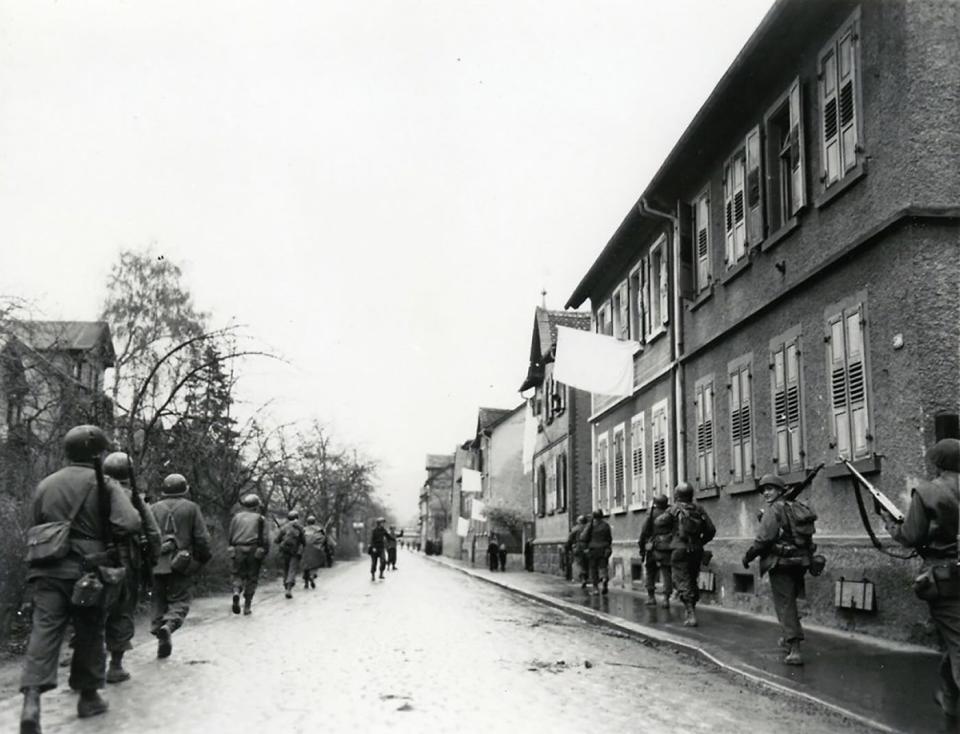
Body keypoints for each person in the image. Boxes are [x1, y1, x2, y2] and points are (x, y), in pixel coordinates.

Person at [18, 426, 142, 732]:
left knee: (44, 630)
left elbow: (35, 524)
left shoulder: (46, 484)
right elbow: (130, 522)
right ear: (98, 453)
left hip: (46, 569)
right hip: (88, 571)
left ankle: (31, 701)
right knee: (89, 629)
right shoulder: (106, 484)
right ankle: (88, 698)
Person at [881, 438, 960, 724]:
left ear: (937, 463)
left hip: (947, 581)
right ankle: (949, 699)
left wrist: (890, 524)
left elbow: (911, 536)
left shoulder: (928, 492)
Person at [742, 474, 819, 665]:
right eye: (764, 490)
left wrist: (748, 556)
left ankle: (794, 649)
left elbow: (764, 539)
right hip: (799, 562)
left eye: (770, 489)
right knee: (791, 600)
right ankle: (787, 639)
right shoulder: (795, 506)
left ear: (779, 490)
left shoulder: (775, 509)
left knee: (784, 605)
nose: (766, 493)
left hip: (781, 562)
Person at [101, 451, 162, 683]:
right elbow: (152, 531)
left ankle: (86, 660)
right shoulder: (132, 497)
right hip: (126, 559)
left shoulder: (93, 492)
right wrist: (153, 558)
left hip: (94, 557)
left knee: (92, 607)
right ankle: (115, 666)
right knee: (122, 609)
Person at [150, 473, 212, 659]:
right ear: (184, 489)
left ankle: (158, 629)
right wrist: (202, 559)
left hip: (156, 563)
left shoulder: (152, 508)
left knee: (158, 600)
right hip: (181, 562)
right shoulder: (191, 508)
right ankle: (168, 626)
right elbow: (201, 538)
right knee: (180, 600)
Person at [666, 482, 716, 627]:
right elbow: (711, 530)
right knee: (692, 579)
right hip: (696, 550)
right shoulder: (699, 509)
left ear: (676, 495)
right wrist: (700, 542)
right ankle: (691, 610)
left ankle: (690, 613)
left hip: (680, 550)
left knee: (681, 580)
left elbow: (658, 522)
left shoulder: (674, 509)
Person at [228, 494, 270, 615]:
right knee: (252, 577)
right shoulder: (260, 519)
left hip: (238, 548)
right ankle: (247, 606)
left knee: (237, 574)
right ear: (256, 506)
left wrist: (231, 547)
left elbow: (231, 534)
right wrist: (264, 551)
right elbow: (266, 538)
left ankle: (236, 591)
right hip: (254, 549)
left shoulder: (236, 517)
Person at [638, 495, 673, 608]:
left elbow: (644, 531)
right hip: (667, 546)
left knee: (650, 572)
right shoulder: (671, 512)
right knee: (666, 573)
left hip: (653, 546)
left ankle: (651, 597)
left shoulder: (651, 513)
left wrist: (641, 547)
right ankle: (666, 599)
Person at [276, 510, 306, 598]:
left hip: (284, 551)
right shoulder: (300, 528)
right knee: (292, 570)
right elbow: (304, 541)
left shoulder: (284, 527)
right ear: (297, 517)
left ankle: (286, 587)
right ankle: (289, 589)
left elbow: (277, 540)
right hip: (295, 552)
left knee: (285, 569)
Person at [583, 509, 613, 595]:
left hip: (593, 549)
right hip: (604, 549)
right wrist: (608, 547)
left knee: (593, 569)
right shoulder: (606, 525)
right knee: (603, 566)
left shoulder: (591, 525)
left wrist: (585, 547)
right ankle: (604, 578)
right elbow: (609, 538)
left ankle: (595, 589)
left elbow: (584, 537)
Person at [301, 516, 326, 588]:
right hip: (315, 548)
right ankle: (312, 576)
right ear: (314, 521)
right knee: (314, 564)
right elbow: (324, 539)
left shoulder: (303, 529)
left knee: (305, 564)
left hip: (305, 548)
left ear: (307, 522)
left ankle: (306, 583)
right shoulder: (319, 529)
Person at [564, 515, 589, 587]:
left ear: (579, 522)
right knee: (587, 563)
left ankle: (583, 578)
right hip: (588, 548)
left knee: (580, 563)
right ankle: (587, 577)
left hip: (578, 548)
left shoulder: (575, 529)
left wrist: (567, 548)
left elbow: (569, 539)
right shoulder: (589, 528)